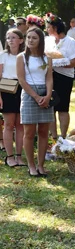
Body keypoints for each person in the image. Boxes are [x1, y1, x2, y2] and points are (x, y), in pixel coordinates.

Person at [15, 27, 54, 177]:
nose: (30, 40)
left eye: (34, 38)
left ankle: (41, 165)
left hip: (45, 93)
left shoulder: (47, 58)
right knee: (29, 132)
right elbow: (21, 79)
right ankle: (31, 165)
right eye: (28, 37)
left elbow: (49, 77)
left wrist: (48, 95)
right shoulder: (21, 57)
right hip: (29, 94)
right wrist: (36, 97)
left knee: (44, 131)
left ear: (40, 41)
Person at [44, 14, 75, 139]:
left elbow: (74, 62)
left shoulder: (70, 42)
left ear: (55, 27)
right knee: (51, 108)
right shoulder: (47, 41)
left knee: (63, 108)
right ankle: (54, 137)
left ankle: (63, 137)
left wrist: (56, 63)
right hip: (49, 77)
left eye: (48, 27)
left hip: (64, 78)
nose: (47, 30)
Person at [1, 28, 24, 167]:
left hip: (22, 88)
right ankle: (9, 156)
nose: (10, 40)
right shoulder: (3, 56)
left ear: (21, 40)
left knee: (20, 125)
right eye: (8, 37)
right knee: (9, 124)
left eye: (13, 37)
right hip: (7, 89)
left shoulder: (25, 55)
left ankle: (19, 156)